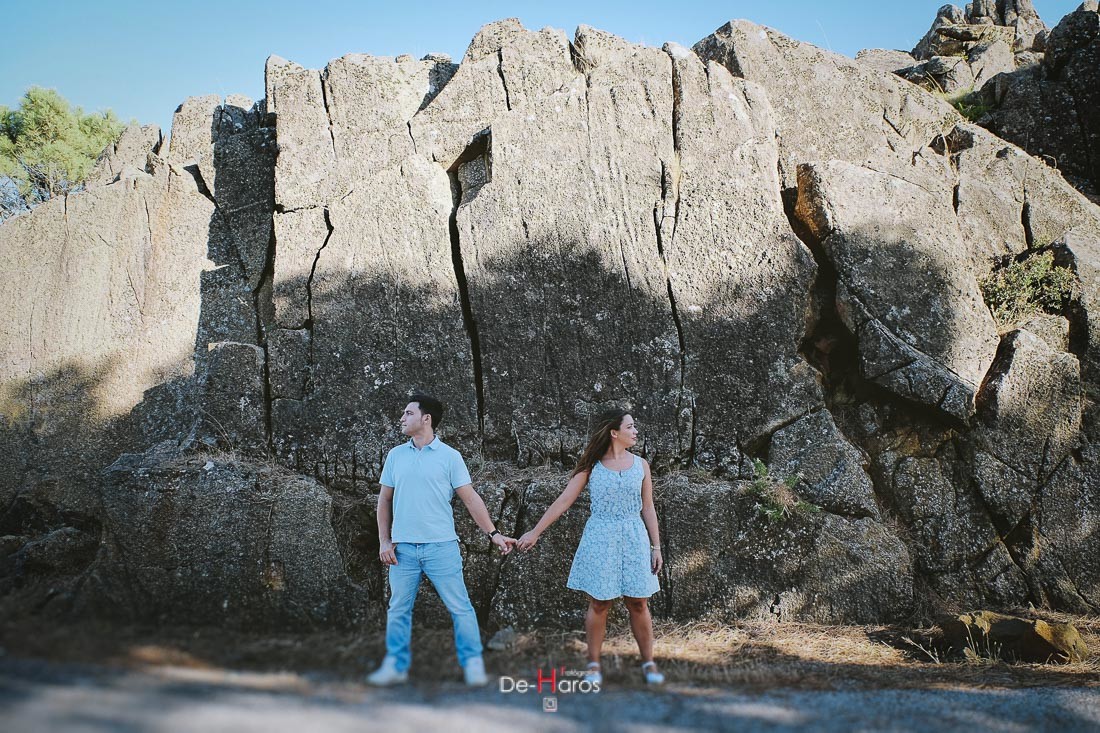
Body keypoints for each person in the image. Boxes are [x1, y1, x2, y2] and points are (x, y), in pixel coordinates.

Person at [367, 393, 516, 687]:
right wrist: (384, 541)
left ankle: (473, 664)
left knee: (460, 607)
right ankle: (395, 665)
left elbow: (471, 499)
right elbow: (384, 501)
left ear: (426, 419)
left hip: (442, 547)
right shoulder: (395, 455)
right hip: (402, 550)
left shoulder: (450, 457)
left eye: (408, 413)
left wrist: (494, 533)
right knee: (398, 608)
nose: (402, 418)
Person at [516, 408, 665, 686]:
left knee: (639, 602)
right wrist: (535, 531)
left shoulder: (641, 465)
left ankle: (649, 662)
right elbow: (563, 501)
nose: (635, 432)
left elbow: (648, 507)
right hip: (601, 537)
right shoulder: (591, 466)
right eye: (630, 427)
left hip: (634, 536)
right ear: (614, 432)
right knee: (599, 603)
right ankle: (594, 665)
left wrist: (656, 547)